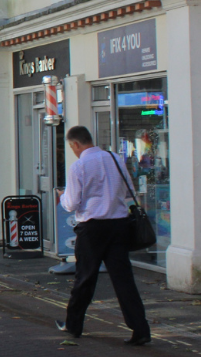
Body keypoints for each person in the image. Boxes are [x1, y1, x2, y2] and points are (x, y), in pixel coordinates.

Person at [54, 126, 151, 345]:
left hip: (92, 228)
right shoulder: (114, 159)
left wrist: (61, 196)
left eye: (71, 147)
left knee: (85, 278)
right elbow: (129, 192)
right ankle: (140, 329)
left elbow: (71, 203)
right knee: (123, 280)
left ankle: (73, 325)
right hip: (119, 226)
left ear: (76, 144)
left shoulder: (79, 166)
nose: (73, 151)